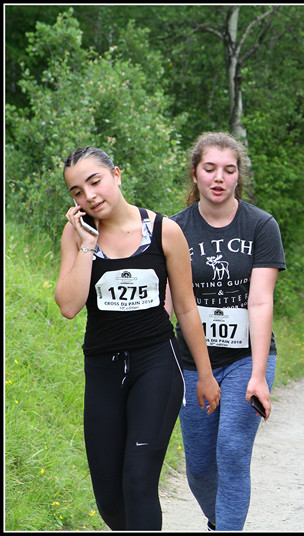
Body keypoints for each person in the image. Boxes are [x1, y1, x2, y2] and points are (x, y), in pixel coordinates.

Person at [54, 146, 221, 531]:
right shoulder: (77, 234)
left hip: (156, 365)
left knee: (138, 481)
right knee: (110, 500)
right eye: (77, 191)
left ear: (116, 175)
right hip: (103, 369)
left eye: (95, 181)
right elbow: (68, 306)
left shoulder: (164, 231)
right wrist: (87, 244)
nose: (89, 195)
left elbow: (187, 308)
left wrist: (206, 374)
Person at [166, 132, 286, 531]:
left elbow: (260, 302)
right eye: (210, 168)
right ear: (195, 173)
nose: (219, 178)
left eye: (229, 170)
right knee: (200, 468)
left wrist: (258, 375)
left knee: (232, 450)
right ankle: (220, 522)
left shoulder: (261, 225)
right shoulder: (175, 229)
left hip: (245, 359)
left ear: (239, 176)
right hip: (190, 363)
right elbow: (167, 305)